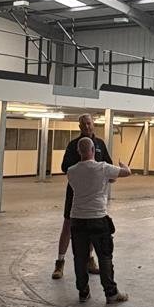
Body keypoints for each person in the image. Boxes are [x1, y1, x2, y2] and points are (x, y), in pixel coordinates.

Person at [65, 136, 131, 303]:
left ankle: (83, 292)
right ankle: (111, 293)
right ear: (94, 150)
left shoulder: (71, 171)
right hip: (97, 218)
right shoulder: (103, 168)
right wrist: (123, 166)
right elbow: (125, 173)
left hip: (77, 219)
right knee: (104, 257)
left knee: (80, 258)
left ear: (78, 151)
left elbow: (85, 180)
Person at [53, 113, 111, 280]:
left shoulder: (100, 144)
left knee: (93, 226)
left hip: (95, 195)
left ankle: (90, 259)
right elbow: (65, 167)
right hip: (75, 193)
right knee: (68, 225)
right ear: (79, 127)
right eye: (83, 124)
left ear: (94, 124)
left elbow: (107, 163)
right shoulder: (73, 145)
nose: (87, 126)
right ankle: (60, 262)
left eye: (89, 123)